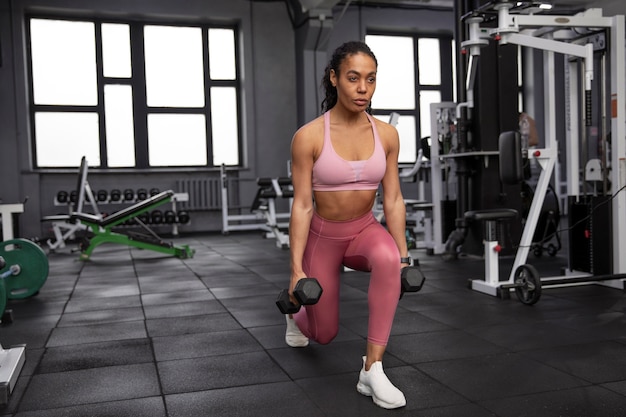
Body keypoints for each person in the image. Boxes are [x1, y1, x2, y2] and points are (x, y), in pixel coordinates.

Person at [285, 40, 410, 410]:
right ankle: (297, 315)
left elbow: (393, 199)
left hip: (363, 231)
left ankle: (372, 368)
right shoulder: (308, 137)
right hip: (323, 236)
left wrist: (404, 255)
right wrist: (296, 271)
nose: (362, 89)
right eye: (353, 78)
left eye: (370, 80)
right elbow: (303, 205)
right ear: (334, 78)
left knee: (387, 258)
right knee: (323, 334)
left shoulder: (386, 135)